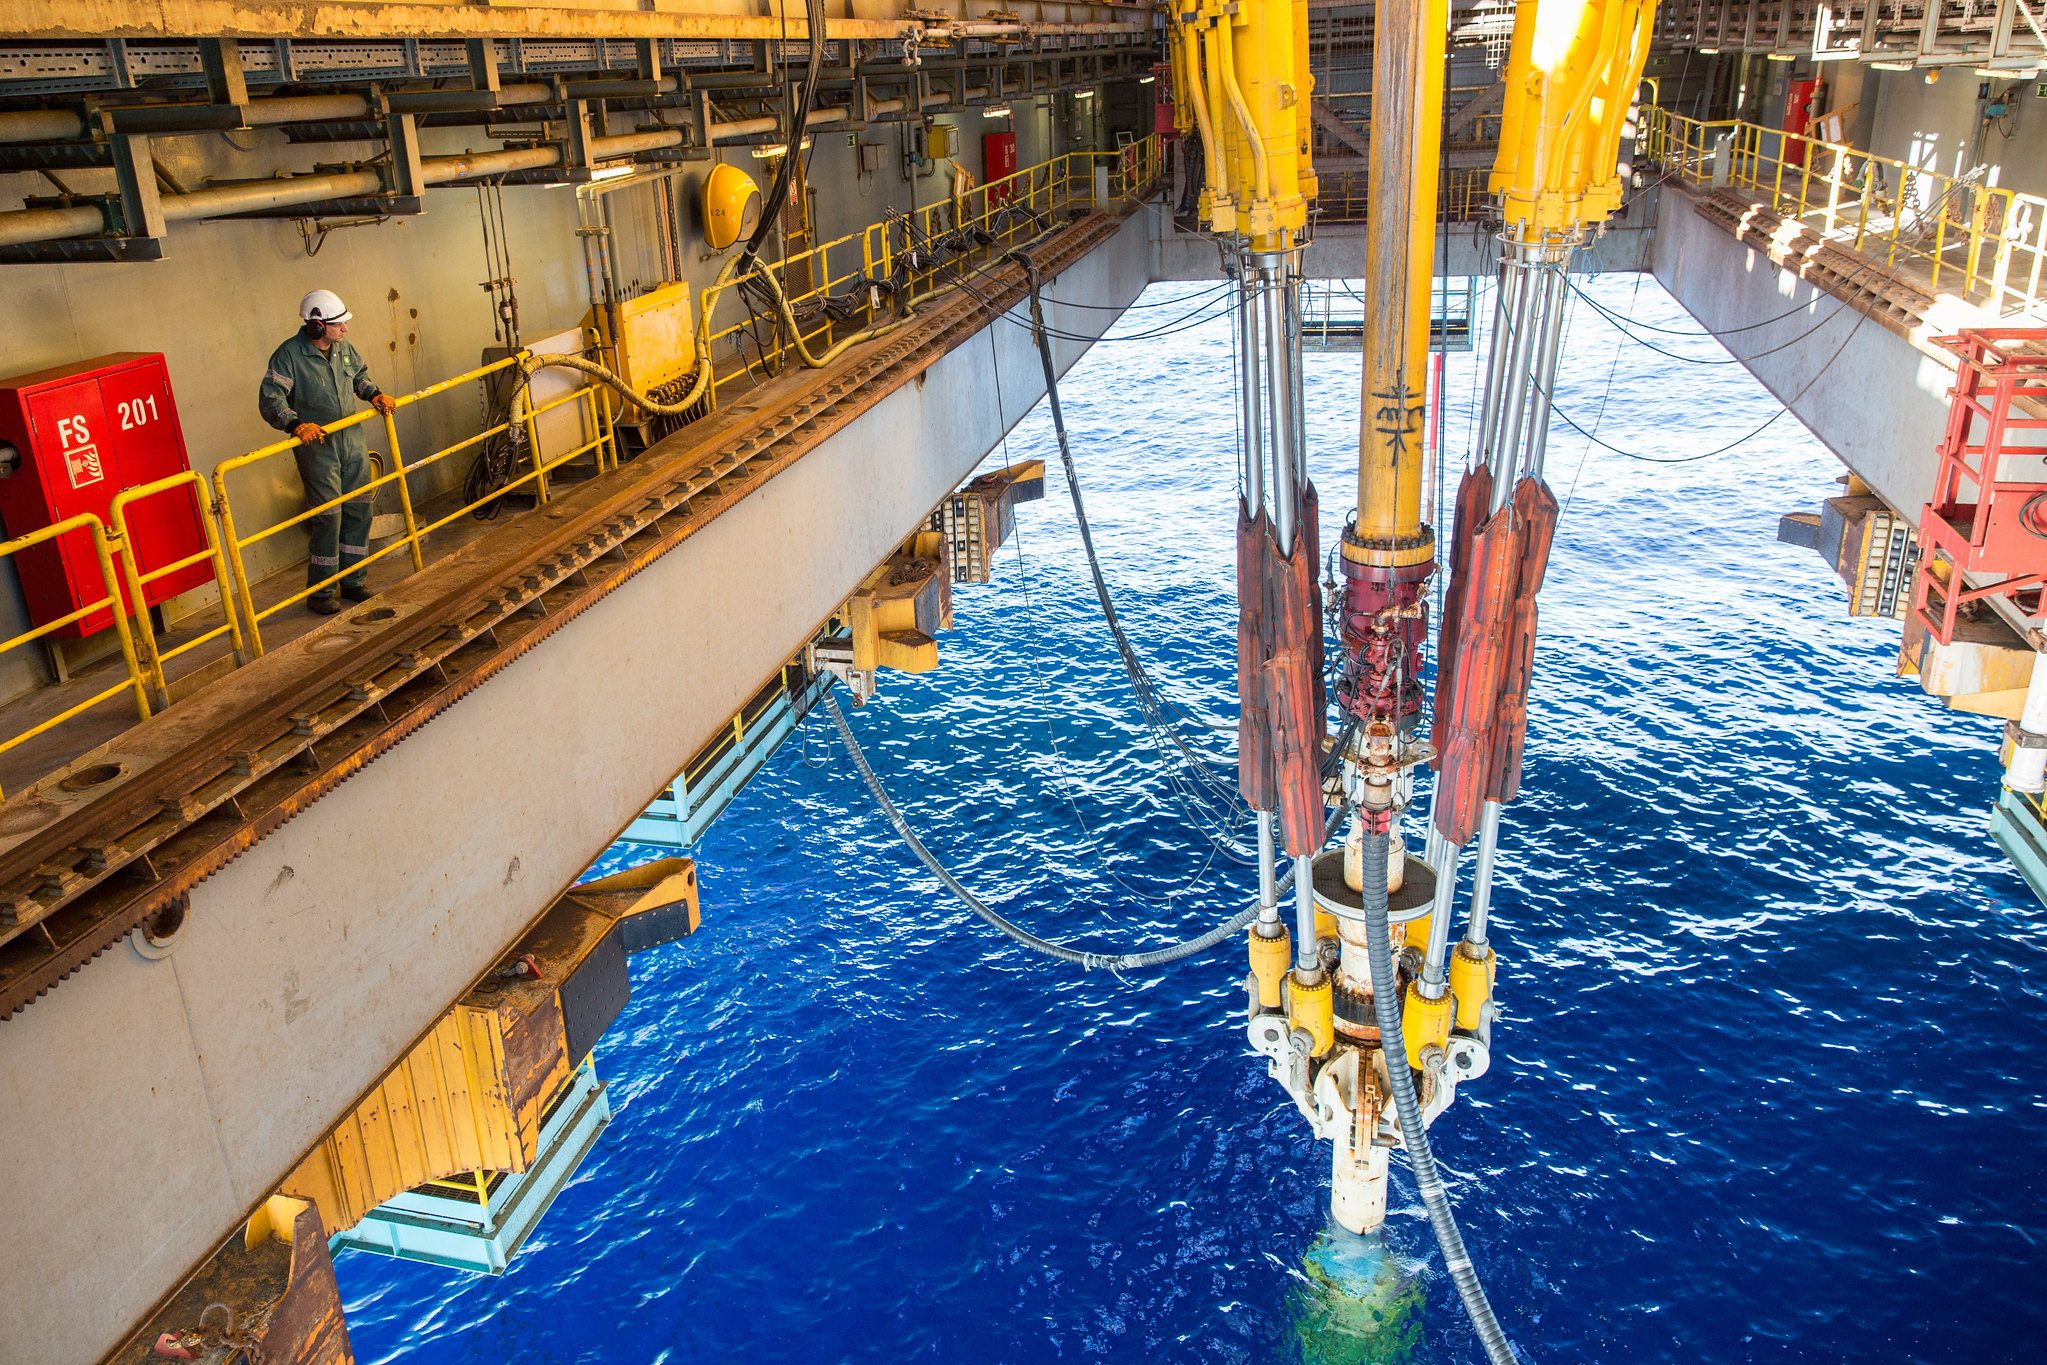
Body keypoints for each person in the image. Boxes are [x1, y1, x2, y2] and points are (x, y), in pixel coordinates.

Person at [256, 289, 398, 614]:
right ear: (317, 326)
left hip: (352, 439)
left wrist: (374, 394)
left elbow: (359, 376)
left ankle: (352, 582)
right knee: (329, 518)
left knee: (360, 509)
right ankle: (321, 593)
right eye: (338, 325)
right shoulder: (288, 356)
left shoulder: (343, 348)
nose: (345, 330)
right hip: (317, 447)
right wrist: (295, 425)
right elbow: (271, 400)